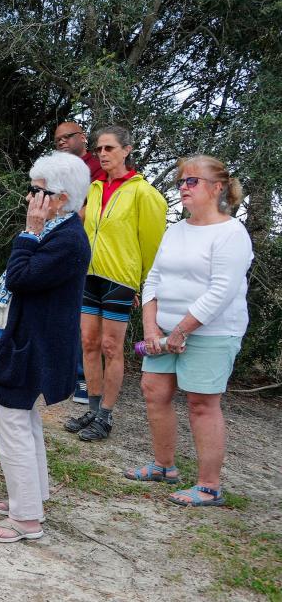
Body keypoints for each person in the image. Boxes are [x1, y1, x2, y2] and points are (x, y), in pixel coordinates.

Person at [0, 151, 91, 543]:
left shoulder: (68, 240)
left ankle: (26, 520)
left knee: (13, 423)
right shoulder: (49, 231)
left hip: (35, 345)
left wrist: (29, 232)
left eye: (37, 191)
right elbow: (6, 279)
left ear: (60, 198)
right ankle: (31, 497)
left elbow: (21, 276)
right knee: (23, 419)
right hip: (22, 338)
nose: (29, 198)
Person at [124, 155, 251, 506]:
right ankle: (164, 466)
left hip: (211, 334)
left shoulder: (231, 233)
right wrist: (151, 326)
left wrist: (180, 330)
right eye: (181, 181)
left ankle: (209, 486)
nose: (183, 187)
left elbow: (221, 291)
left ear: (217, 187)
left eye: (192, 181)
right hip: (164, 332)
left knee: (201, 403)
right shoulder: (176, 229)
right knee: (153, 391)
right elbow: (154, 279)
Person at [65, 126, 167, 442]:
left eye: (109, 148)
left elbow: (153, 246)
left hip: (120, 280)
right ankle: (92, 410)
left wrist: (143, 287)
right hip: (89, 276)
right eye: (99, 149)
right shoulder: (93, 189)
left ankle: (106, 417)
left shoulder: (144, 193)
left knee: (111, 347)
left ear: (127, 150)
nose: (103, 154)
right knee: (88, 343)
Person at [55, 121, 107, 404]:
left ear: (83, 138)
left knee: (84, 316)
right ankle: (64, 371)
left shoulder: (96, 167)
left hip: (88, 246)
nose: (61, 142)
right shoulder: (58, 169)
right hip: (59, 243)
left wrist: (71, 218)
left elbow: (95, 204)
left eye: (67, 137)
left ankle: (84, 379)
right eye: (57, 139)